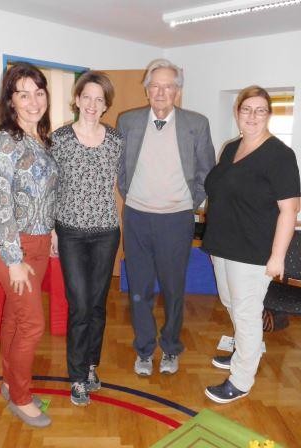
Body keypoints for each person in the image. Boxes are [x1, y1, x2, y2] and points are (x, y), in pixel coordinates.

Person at [117, 59, 215, 376]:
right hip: (137, 218)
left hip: (176, 219)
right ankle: (144, 350)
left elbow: (207, 172)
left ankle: (171, 348)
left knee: (173, 289)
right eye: (155, 85)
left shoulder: (196, 124)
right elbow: (120, 169)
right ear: (147, 90)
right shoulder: (127, 121)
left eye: (168, 85)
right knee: (139, 289)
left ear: (178, 90)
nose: (161, 91)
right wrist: (133, 195)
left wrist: (188, 202)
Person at [202, 85, 300, 403]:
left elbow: (289, 210)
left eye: (260, 110)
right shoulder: (232, 148)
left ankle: (242, 380)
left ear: (269, 114)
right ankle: (250, 349)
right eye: (247, 109)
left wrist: (277, 257)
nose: (253, 116)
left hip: (254, 251)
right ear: (237, 113)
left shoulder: (281, 156)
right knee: (233, 304)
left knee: (245, 312)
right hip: (224, 245)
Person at [0, 62, 58, 426]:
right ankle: (21, 396)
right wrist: (13, 259)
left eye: (39, 92)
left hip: (41, 241)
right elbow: (0, 206)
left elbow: (45, 193)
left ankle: (9, 382)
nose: (33, 101)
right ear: (11, 100)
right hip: (12, 243)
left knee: (16, 317)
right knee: (32, 324)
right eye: (24, 94)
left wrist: (53, 231)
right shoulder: (4, 142)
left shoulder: (42, 139)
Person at [51, 71, 122, 406]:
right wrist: (52, 229)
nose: (93, 104)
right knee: (79, 306)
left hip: (106, 232)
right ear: (77, 99)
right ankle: (78, 377)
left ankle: (92, 364)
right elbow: (51, 187)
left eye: (100, 99)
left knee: (96, 304)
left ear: (106, 105)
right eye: (87, 97)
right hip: (71, 233)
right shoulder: (60, 139)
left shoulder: (116, 141)